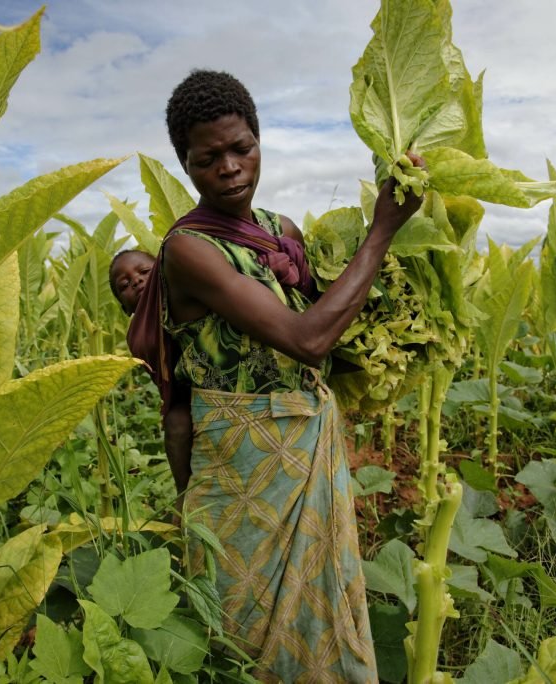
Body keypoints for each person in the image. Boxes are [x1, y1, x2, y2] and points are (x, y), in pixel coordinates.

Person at [128, 69, 424, 683]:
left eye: (242, 149)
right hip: (241, 464)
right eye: (209, 158)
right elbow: (308, 338)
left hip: (306, 441)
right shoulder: (188, 249)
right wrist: (382, 231)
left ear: (260, 142)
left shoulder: (281, 231)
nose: (230, 167)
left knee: (320, 603)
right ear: (186, 165)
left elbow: (328, 314)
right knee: (244, 623)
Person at [109, 249, 194, 509]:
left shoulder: (191, 291)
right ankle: (182, 495)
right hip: (187, 398)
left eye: (145, 272)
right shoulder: (139, 335)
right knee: (176, 423)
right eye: (124, 285)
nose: (135, 281)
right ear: (125, 308)